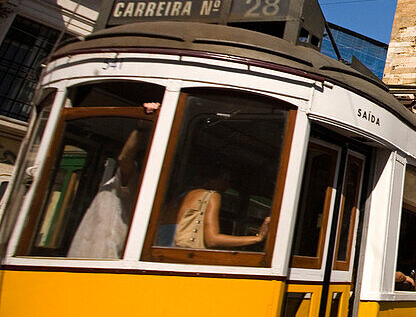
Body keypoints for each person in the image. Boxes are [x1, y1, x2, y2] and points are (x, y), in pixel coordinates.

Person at [69, 102, 160, 259]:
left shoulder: (140, 187)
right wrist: (142, 128)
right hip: (97, 252)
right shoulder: (127, 179)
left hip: (103, 251)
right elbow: (124, 158)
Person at [174, 169, 270, 250]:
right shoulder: (211, 195)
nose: (227, 186)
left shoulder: (181, 197)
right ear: (211, 179)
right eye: (225, 180)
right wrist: (258, 238)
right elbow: (212, 240)